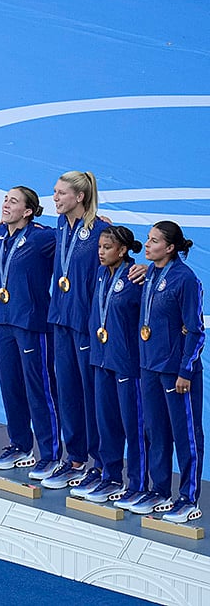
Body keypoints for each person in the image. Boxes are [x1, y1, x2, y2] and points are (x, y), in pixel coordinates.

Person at [129, 221, 204, 523]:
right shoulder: (152, 274)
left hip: (176, 372)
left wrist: (185, 370)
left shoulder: (186, 280)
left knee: (184, 434)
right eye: (148, 239)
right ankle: (159, 490)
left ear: (170, 247)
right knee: (154, 432)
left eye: (154, 241)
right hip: (149, 366)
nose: (147, 245)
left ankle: (188, 498)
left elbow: (196, 331)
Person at [42, 171, 109, 490]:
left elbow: (121, 265)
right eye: (54, 192)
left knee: (89, 395)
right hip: (60, 321)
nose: (54, 198)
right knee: (66, 392)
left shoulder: (102, 231)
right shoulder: (60, 225)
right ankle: (76, 459)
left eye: (61, 193)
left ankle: (100, 463)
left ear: (79, 197)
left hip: (85, 327)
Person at [0, 187, 62, 477]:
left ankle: (51, 453)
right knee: (10, 385)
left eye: (13, 201)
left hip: (32, 323)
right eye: (5, 199)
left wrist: (100, 223)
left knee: (39, 389)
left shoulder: (42, 237)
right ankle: (19, 444)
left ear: (28, 211)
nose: (6, 204)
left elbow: (76, 243)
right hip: (3, 320)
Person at [83, 226, 145, 505]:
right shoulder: (100, 273)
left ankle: (138, 483)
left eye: (107, 248)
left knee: (132, 426)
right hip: (100, 358)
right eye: (99, 247)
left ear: (122, 251)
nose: (100, 252)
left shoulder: (136, 278)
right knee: (105, 421)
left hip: (126, 363)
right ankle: (110, 476)